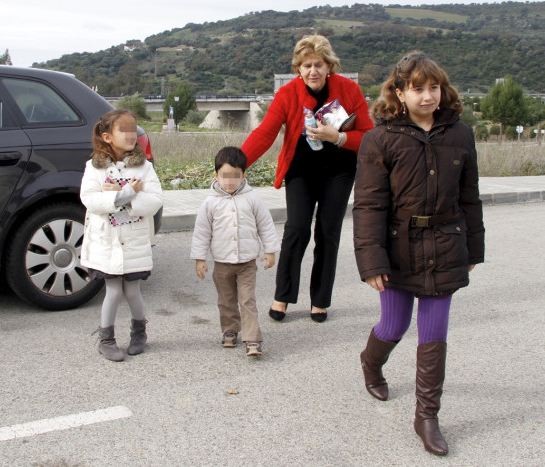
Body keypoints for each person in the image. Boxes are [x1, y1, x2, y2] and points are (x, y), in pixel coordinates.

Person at [352, 51, 485, 455]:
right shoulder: (380, 139)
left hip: (446, 243)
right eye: (418, 89)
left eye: (434, 87)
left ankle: (427, 415)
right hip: (396, 249)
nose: (428, 96)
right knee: (393, 325)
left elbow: (470, 197)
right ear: (399, 92)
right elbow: (369, 205)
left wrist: (473, 248)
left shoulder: (460, 134)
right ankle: (371, 363)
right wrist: (371, 259)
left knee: (434, 333)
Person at [241, 34, 374, 322]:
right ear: (298, 69)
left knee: (328, 232)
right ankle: (282, 296)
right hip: (301, 170)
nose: (312, 71)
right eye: (306, 66)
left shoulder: (349, 90)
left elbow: (369, 136)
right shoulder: (287, 94)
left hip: (339, 171)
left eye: (318, 65)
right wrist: (237, 163)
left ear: (329, 66)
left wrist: (337, 137)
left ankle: (320, 300)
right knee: (297, 229)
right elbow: (265, 132)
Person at [80, 109, 163, 362]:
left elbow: (156, 199)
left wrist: (121, 196)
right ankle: (106, 339)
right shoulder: (93, 168)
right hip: (107, 242)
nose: (130, 135)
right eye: (123, 130)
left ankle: (139, 333)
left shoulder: (144, 167)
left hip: (134, 241)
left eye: (133, 129)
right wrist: (127, 193)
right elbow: (90, 200)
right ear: (107, 136)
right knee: (113, 291)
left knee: (132, 292)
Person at [190, 147, 280, 357]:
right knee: (226, 300)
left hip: (247, 263)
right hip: (222, 264)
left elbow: (265, 225)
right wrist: (199, 259)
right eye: (225, 176)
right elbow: (202, 232)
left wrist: (271, 251)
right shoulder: (210, 203)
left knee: (247, 300)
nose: (230, 182)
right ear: (216, 175)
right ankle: (230, 330)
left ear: (244, 175)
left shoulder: (252, 199)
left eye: (235, 176)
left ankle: (253, 339)